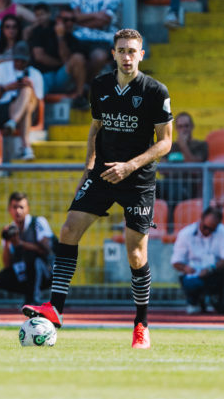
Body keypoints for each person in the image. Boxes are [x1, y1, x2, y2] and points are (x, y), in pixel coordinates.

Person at [22, 28, 173, 349]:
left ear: (141, 55)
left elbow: (166, 142)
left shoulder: (155, 91)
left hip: (138, 179)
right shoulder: (101, 86)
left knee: (136, 253)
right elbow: (95, 129)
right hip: (103, 172)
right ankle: (55, 308)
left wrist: (130, 166)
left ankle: (141, 324)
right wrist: (89, 168)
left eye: (132, 51)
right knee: (68, 229)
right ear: (113, 54)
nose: (127, 57)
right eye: (122, 51)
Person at [170, 205, 224, 314]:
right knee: (192, 283)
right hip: (195, 275)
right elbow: (176, 261)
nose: (207, 231)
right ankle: (194, 302)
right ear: (201, 219)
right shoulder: (186, 234)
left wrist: (210, 269)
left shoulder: (222, 231)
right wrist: (185, 268)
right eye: (205, 227)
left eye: (212, 229)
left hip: (215, 272)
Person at [0, 191, 55, 305]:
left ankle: (33, 299)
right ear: (9, 209)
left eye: (21, 207)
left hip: (46, 271)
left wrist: (20, 243)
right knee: (2, 278)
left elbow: (46, 251)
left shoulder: (38, 223)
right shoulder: (10, 231)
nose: (18, 211)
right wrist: (7, 242)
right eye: (15, 207)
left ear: (28, 209)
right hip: (24, 273)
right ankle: (29, 295)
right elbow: (7, 265)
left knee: (32, 257)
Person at [0, 41, 43, 161]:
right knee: (24, 108)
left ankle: (12, 122)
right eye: (17, 60)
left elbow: (39, 104)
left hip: (27, 110)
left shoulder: (35, 74)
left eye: (23, 61)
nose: (19, 63)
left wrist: (32, 88)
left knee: (27, 91)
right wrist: (6, 88)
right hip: (3, 110)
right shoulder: (1, 68)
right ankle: (26, 147)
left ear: (28, 60)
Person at [26, 4, 89, 107]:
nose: (69, 23)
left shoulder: (74, 38)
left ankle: (79, 97)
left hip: (61, 78)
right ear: (58, 20)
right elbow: (39, 57)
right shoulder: (42, 30)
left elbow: (66, 60)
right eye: (66, 20)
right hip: (43, 75)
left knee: (78, 58)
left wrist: (60, 37)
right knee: (35, 93)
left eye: (72, 20)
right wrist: (60, 63)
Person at [71, 0, 121, 77]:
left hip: (102, 40)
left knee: (99, 57)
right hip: (79, 39)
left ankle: (89, 82)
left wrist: (81, 20)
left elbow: (103, 22)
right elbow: (75, 17)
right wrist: (96, 14)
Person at [156, 111, 207, 212]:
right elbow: (162, 169)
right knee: (149, 187)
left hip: (188, 186)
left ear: (192, 127)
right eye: (180, 126)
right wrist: (183, 167)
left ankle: (171, 221)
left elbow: (195, 168)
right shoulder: (170, 146)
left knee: (175, 192)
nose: (184, 129)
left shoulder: (200, 145)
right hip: (168, 183)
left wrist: (183, 146)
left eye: (186, 126)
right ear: (176, 129)